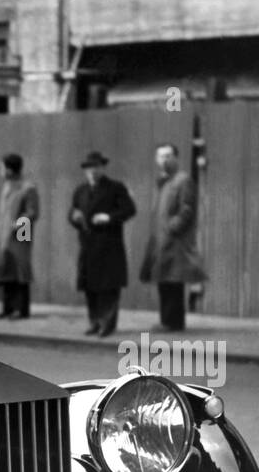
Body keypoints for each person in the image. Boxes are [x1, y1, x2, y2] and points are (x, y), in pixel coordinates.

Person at [68, 150, 136, 337]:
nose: (93, 171)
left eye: (96, 167)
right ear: (85, 170)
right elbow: (72, 213)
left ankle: (108, 324)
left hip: (108, 245)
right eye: (89, 168)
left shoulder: (115, 188)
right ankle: (95, 322)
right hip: (88, 246)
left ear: (103, 167)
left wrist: (109, 217)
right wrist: (75, 217)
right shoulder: (80, 191)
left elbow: (129, 210)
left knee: (108, 287)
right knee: (90, 287)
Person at [139, 142, 205, 332]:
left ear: (176, 158)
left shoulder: (183, 180)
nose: (164, 159)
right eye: (161, 156)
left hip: (174, 241)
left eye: (168, 155)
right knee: (164, 280)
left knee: (173, 280)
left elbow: (187, 209)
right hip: (161, 241)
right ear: (156, 159)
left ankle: (173, 322)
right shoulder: (163, 181)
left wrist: (172, 228)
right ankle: (167, 320)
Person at [0, 153, 38, 319]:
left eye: (2, 167)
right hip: (4, 234)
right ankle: (8, 308)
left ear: (9, 170)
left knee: (20, 269)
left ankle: (21, 310)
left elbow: (33, 212)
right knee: (6, 268)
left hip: (20, 233)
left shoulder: (27, 187)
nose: (0, 171)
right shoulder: (7, 186)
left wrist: (18, 225)